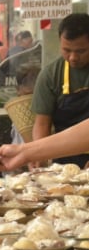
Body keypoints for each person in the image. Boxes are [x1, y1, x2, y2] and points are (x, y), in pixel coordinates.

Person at [31, 13, 89, 168]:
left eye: (81, 51)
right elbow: (42, 123)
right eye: (66, 50)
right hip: (64, 159)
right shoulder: (51, 74)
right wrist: (38, 154)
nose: (73, 57)